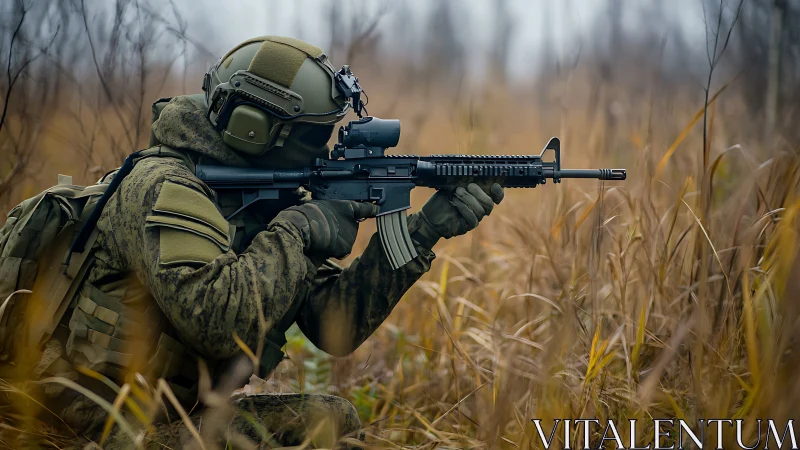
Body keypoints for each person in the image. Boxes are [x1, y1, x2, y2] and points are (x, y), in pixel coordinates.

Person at [11, 36, 504, 448]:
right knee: (326, 421)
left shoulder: (263, 197)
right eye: (313, 136)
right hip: (79, 430)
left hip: (156, 419)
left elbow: (335, 328)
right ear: (256, 128)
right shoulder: (162, 187)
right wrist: (299, 229)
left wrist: (423, 230)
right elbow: (220, 323)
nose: (325, 148)